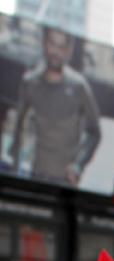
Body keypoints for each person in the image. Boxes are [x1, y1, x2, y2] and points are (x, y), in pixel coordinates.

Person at [10, 26, 101, 185]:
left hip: (65, 181)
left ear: (69, 50)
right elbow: (19, 128)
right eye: (52, 44)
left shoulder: (79, 87)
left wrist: (78, 166)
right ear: (44, 43)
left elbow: (95, 132)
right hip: (36, 175)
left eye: (62, 46)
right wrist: (15, 167)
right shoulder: (30, 83)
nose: (56, 52)